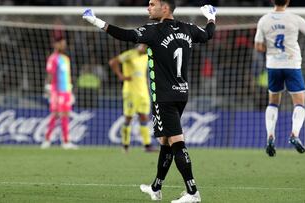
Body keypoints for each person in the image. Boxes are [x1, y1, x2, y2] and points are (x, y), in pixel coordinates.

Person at [83, 1, 216, 202]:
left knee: (176, 142)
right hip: (181, 93)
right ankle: (156, 188)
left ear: (165, 8)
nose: (148, 8)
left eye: (152, 4)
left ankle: (192, 192)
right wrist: (212, 17)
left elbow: (126, 35)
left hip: (164, 97)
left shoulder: (154, 30)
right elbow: (208, 34)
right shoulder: (188, 28)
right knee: (165, 141)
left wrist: (96, 21)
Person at [254, 0, 305, 157]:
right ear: (287, 1)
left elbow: (258, 47)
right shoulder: (295, 18)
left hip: (273, 65)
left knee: (273, 102)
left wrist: (272, 49)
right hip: (292, 64)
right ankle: (294, 134)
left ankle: (270, 136)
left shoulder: (264, 20)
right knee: (299, 102)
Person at [108, 44, 156, 153]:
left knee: (144, 117)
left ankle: (147, 145)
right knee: (129, 117)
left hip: (143, 92)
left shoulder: (146, 56)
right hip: (130, 92)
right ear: (142, 46)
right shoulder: (130, 54)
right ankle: (125, 145)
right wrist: (121, 75)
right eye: (147, 48)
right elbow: (113, 62)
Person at [41, 36, 78, 150]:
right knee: (57, 114)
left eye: (64, 44)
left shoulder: (66, 58)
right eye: (61, 44)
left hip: (66, 91)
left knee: (65, 114)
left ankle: (65, 141)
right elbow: (50, 74)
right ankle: (48, 139)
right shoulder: (53, 58)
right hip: (57, 91)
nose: (63, 46)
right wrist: (47, 87)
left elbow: (67, 76)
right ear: (55, 45)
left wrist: (70, 90)